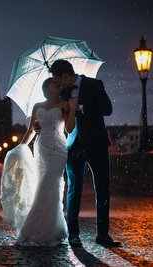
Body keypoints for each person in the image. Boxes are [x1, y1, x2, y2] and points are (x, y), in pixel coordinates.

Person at [49, 59, 121, 247]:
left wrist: (81, 108)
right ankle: (74, 235)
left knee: (102, 189)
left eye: (57, 79)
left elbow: (108, 109)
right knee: (74, 190)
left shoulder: (94, 84)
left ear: (65, 75)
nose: (56, 83)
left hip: (97, 144)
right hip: (74, 147)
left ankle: (103, 235)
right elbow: (57, 116)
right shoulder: (62, 93)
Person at [0, 78, 77, 246]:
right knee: (43, 184)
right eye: (53, 82)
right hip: (42, 148)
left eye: (58, 83)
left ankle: (36, 229)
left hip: (58, 148)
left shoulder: (64, 105)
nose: (57, 84)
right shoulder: (37, 106)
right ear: (46, 87)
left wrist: (72, 110)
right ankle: (52, 228)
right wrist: (20, 148)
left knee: (51, 184)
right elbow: (31, 130)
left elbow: (69, 129)